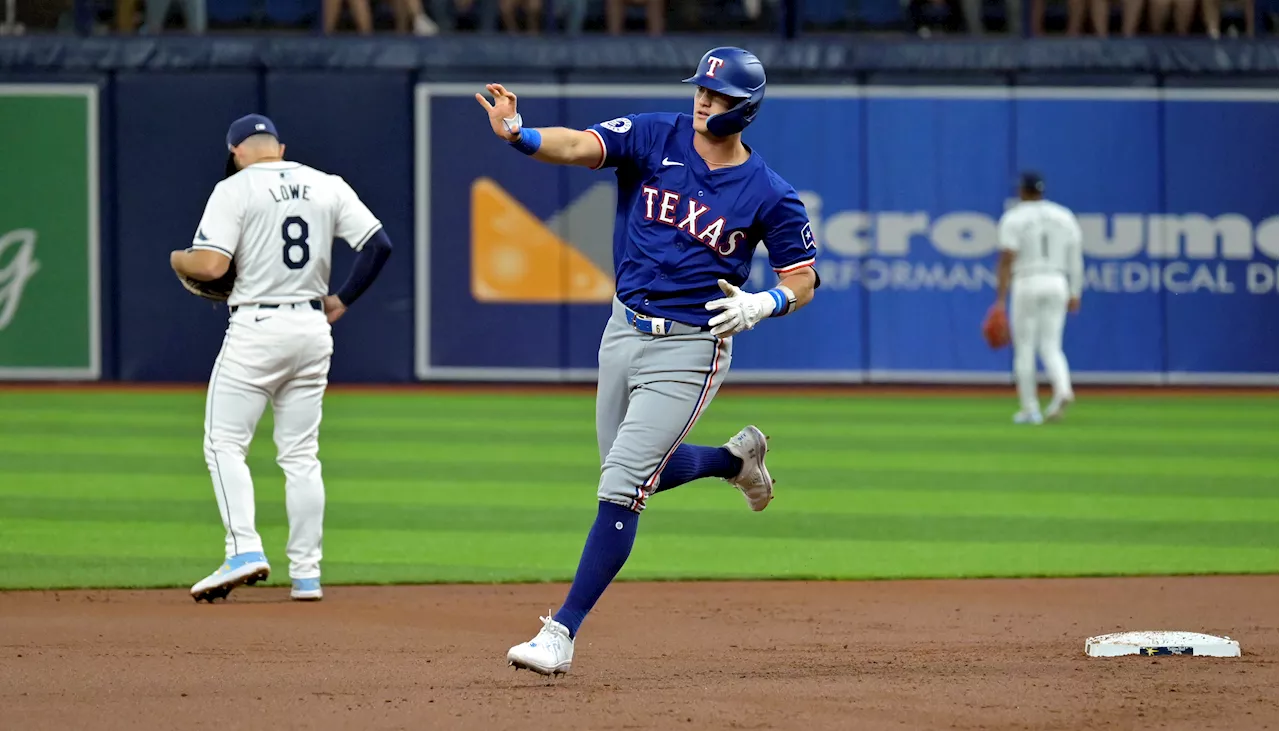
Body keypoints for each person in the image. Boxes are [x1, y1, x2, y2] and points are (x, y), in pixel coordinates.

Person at [474, 46, 821, 676]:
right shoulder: (656, 134)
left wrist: (766, 302)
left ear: (744, 108)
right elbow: (579, 146)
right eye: (700, 89)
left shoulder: (769, 192)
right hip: (623, 328)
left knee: (621, 483)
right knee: (642, 475)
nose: (702, 101)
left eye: (715, 96)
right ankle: (733, 460)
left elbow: (803, 278)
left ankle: (561, 632)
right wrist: (521, 134)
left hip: (693, 344)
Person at [172, 114, 393, 603]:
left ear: (237, 152)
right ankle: (307, 576)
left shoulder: (234, 188)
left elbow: (210, 265)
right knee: (300, 456)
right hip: (312, 327)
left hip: (257, 326)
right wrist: (342, 299)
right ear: (280, 147)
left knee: (223, 443)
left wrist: (178, 259)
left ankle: (243, 549)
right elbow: (379, 245)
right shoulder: (325, 183)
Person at [993, 171, 1083, 424]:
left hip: (1027, 280)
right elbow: (1075, 257)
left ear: (1022, 191)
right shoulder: (1064, 215)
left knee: (1025, 348)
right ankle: (1063, 389)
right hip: (1057, 280)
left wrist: (1000, 299)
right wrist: (1075, 291)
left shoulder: (1014, 217)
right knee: (1051, 345)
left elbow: (1007, 258)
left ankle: (1029, 408)